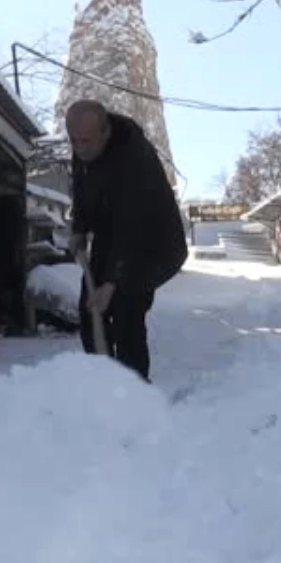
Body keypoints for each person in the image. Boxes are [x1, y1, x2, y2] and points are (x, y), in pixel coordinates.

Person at [66, 99, 187, 381]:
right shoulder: (83, 147)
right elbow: (82, 191)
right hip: (111, 234)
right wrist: (79, 229)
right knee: (90, 312)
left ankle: (134, 395)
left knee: (126, 314)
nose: (80, 148)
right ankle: (104, 384)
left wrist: (112, 282)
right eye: (75, 141)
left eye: (86, 141)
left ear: (105, 132)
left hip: (151, 240)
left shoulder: (134, 158)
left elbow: (133, 225)